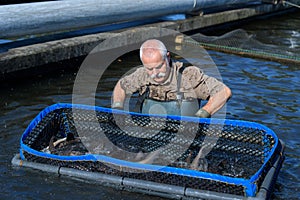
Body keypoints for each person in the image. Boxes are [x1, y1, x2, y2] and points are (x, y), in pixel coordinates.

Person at [112, 39, 231, 118]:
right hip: (149, 134)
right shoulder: (141, 75)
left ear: (167, 57)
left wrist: (202, 115)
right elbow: (121, 86)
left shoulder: (189, 75)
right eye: (150, 69)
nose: (155, 73)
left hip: (185, 137)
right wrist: (118, 106)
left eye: (159, 67)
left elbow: (223, 92)